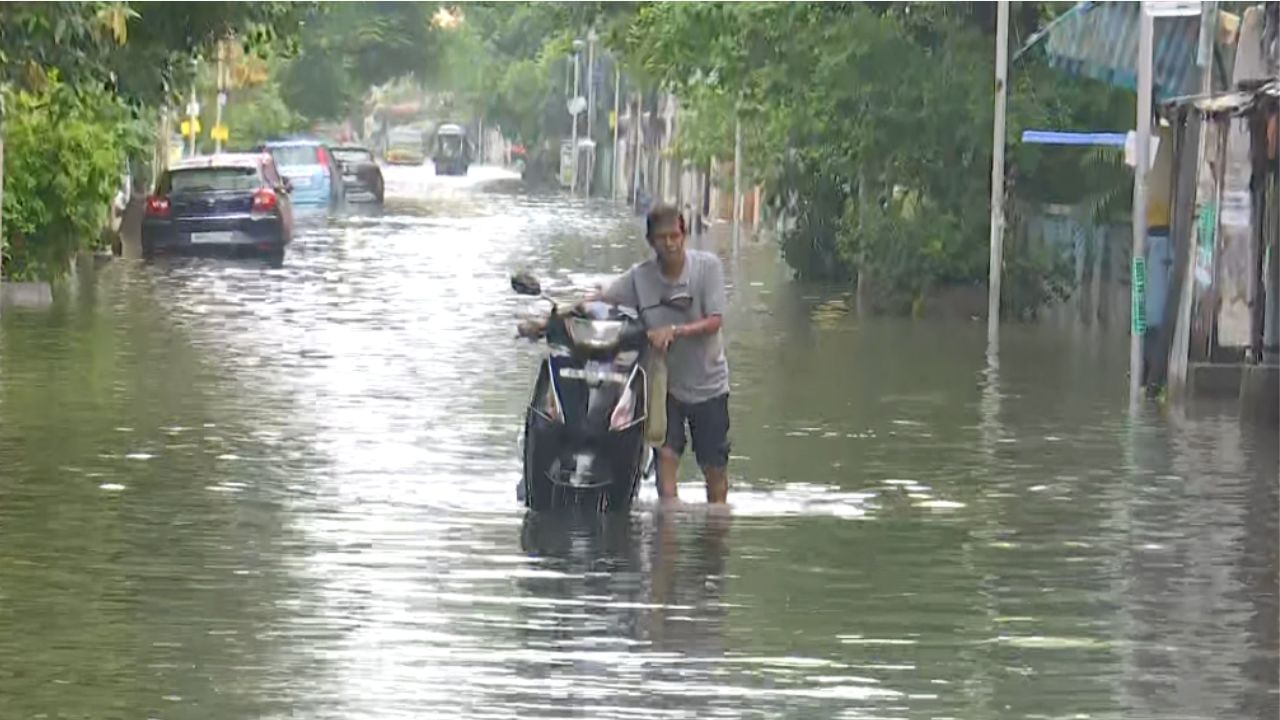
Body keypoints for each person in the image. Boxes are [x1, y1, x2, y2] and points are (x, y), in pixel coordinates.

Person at [600, 204, 731, 503]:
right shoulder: (639, 278)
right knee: (665, 461)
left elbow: (715, 321)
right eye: (662, 238)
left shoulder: (707, 268)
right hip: (664, 388)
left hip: (709, 386)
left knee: (714, 468)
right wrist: (552, 317)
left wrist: (674, 331)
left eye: (675, 236)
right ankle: (666, 537)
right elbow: (602, 297)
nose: (670, 243)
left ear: (684, 236)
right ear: (651, 241)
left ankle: (715, 534)